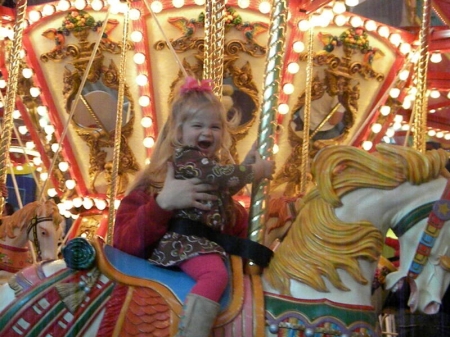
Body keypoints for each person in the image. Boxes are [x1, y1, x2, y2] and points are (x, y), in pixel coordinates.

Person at [114, 76, 275, 337]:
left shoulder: (210, 175)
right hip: (184, 247)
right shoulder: (182, 164)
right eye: (198, 125)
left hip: (205, 248)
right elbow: (123, 243)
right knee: (214, 275)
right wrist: (163, 204)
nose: (207, 132)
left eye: (215, 127)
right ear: (178, 131)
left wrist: (246, 164)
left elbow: (223, 185)